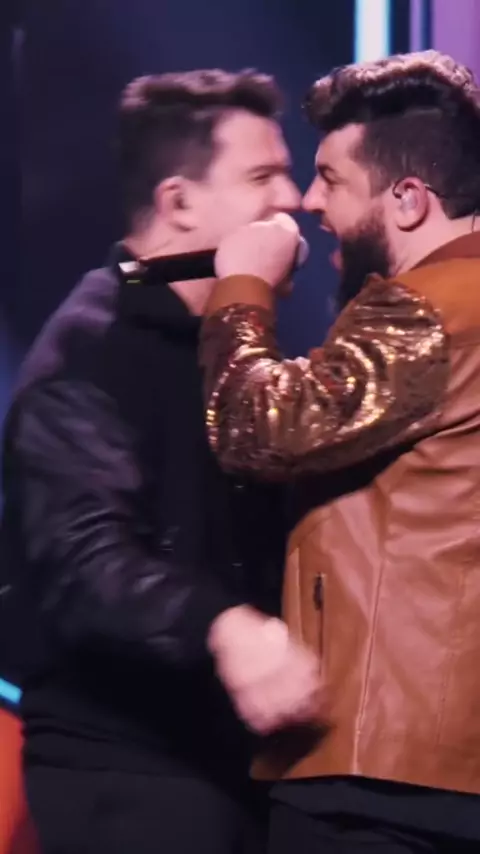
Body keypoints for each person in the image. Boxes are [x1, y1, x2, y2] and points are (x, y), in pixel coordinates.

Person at [1, 69, 322, 854]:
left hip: (237, 768)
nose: (293, 199)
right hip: (131, 775)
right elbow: (85, 555)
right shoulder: (92, 348)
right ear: (179, 202)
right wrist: (222, 627)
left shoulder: (230, 347)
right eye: (262, 176)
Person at [199, 51, 480, 852]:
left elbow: (259, 427)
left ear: (409, 199)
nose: (310, 201)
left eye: (330, 178)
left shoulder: (427, 308)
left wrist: (242, 289)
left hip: (383, 775)